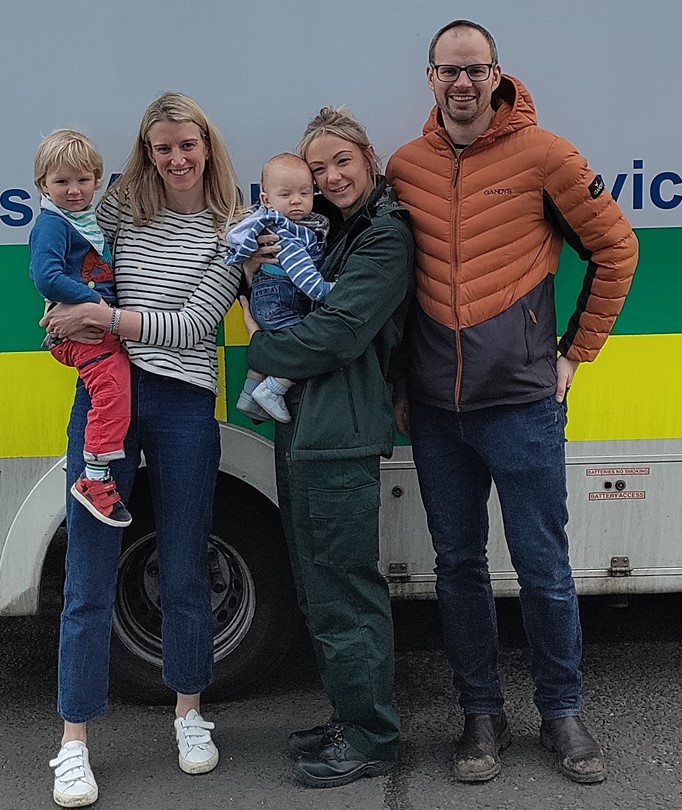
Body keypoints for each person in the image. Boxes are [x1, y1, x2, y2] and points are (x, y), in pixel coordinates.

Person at [386, 20, 639, 786]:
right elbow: (392, 286)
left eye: (475, 70)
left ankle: (562, 713)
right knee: (459, 566)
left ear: (498, 74)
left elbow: (617, 249)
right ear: (430, 78)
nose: (462, 84)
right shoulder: (405, 166)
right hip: (436, 409)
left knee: (542, 566)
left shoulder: (546, 156)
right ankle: (481, 714)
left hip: (524, 403)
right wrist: (400, 381)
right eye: (448, 71)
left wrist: (574, 356)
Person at [38, 92, 244, 808]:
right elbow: (69, 246)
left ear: (207, 146)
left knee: (186, 565)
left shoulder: (233, 224)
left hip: (185, 403)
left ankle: (190, 714)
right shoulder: (122, 207)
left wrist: (100, 316)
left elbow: (194, 326)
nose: (177, 158)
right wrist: (60, 316)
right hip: (105, 400)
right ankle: (72, 743)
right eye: (162, 148)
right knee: (88, 574)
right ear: (146, 153)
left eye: (188, 144)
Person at [241, 106, 414, 788]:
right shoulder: (332, 232)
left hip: (339, 434)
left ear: (368, 157)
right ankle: (349, 715)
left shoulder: (384, 236)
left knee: (344, 587)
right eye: (317, 169)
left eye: (342, 161)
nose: (331, 176)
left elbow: (337, 336)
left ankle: (371, 736)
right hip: (309, 428)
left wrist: (257, 344)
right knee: (318, 585)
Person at [28, 129, 133, 528]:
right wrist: (97, 307)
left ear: (97, 180)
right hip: (83, 330)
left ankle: (98, 474)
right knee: (113, 386)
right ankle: (94, 477)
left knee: (116, 386)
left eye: (83, 180)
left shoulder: (85, 219)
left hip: (95, 325)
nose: (74, 190)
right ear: (43, 184)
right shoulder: (52, 226)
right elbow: (46, 276)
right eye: (62, 182)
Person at [225, 152, 332, 423]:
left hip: (269, 298)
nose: (296, 201)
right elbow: (304, 276)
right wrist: (326, 290)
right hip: (280, 298)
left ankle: (250, 395)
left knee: (274, 343)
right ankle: (274, 388)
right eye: (286, 195)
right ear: (266, 200)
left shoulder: (295, 224)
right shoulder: (287, 232)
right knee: (305, 345)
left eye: (305, 193)